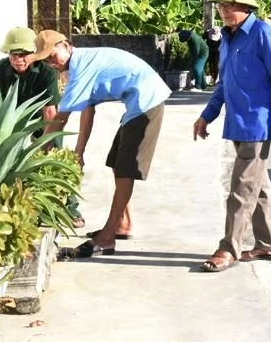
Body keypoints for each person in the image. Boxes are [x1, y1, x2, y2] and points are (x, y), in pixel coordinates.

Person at [192, 0, 271, 272]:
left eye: (229, 5)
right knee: (258, 187)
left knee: (240, 189)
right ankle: (268, 244)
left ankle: (228, 249)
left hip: (256, 125)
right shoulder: (228, 38)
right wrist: (207, 115)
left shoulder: (263, 34)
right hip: (236, 124)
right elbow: (224, 83)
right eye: (221, 6)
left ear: (245, 6)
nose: (224, 11)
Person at [33, 30, 171, 257]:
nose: (51, 63)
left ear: (66, 45)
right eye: (45, 60)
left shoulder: (82, 65)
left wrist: (39, 154)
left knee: (126, 170)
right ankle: (122, 224)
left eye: (52, 55)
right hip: (135, 105)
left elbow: (61, 117)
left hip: (147, 102)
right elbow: (88, 110)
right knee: (117, 163)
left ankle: (107, 237)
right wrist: (79, 151)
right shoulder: (81, 65)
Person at [0, 27, 84, 229]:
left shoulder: (46, 72)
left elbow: (50, 111)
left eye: (23, 55)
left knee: (54, 157)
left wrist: (45, 143)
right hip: (9, 124)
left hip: (41, 121)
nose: (18, 60)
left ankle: (71, 208)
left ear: (34, 54)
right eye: (14, 55)